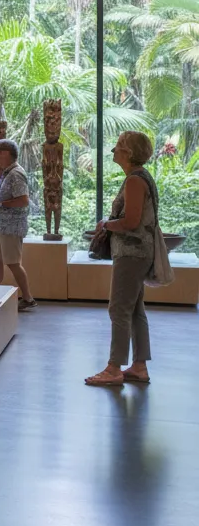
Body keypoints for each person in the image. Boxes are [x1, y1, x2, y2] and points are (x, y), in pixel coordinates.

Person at [85, 131, 157, 386]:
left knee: (118, 308)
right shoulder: (138, 178)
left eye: (117, 147)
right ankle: (139, 365)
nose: (113, 151)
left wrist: (106, 224)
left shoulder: (135, 181)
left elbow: (132, 221)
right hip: (136, 252)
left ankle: (114, 367)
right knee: (134, 309)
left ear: (128, 152)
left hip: (132, 253)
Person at [0, 139, 37, 312]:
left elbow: (23, 200)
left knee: (13, 263)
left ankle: (28, 298)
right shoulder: (7, 173)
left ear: (7, 153)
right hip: (2, 225)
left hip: (12, 226)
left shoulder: (16, 173)